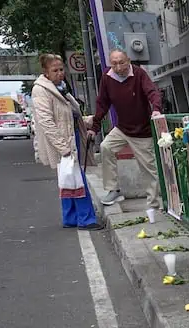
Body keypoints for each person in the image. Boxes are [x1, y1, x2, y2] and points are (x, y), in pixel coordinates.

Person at [32, 53, 102, 231]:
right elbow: (46, 121)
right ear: (46, 72)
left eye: (61, 69)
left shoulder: (61, 87)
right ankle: (86, 219)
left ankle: (70, 217)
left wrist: (88, 120)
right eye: (55, 70)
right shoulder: (41, 90)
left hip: (71, 137)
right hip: (64, 141)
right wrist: (62, 147)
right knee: (77, 178)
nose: (59, 73)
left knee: (68, 178)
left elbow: (70, 114)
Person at [87, 49, 162, 209]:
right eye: (114, 64)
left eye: (122, 62)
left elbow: (152, 92)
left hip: (142, 131)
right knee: (106, 147)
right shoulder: (107, 78)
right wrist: (95, 127)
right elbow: (102, 103)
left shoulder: (139, 74)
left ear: (128, 61)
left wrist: (156, 109)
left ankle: (153, 204)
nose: (119, 67)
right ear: (110, 64)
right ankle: (113, 189)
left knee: (148, 168)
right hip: (122, 128)